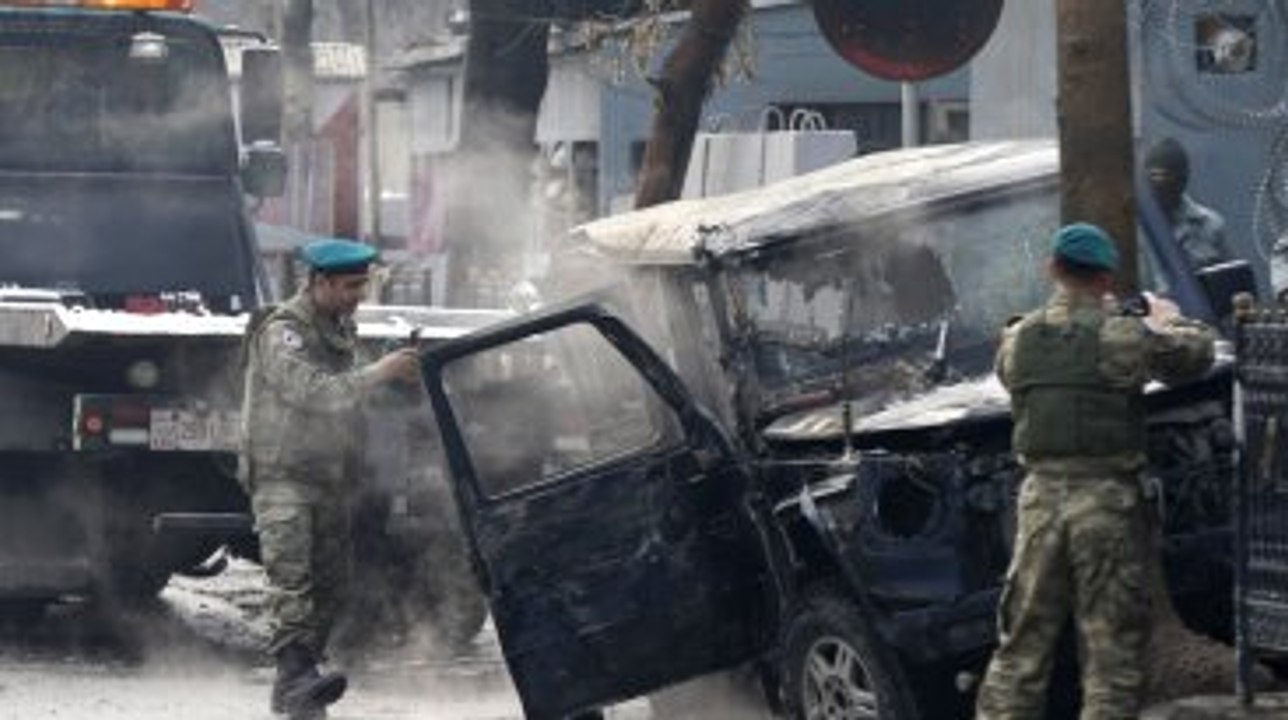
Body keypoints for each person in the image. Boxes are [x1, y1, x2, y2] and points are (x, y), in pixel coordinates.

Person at [974, 223, 1217, 719]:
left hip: (1039, 507)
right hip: (1106, 508)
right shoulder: (1122, 336)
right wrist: (1165, 320)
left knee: (1020, 652)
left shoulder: (1018, 340)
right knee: (1111, 661)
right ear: (1106, 277)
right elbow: (1196, 356)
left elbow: (1008, 371)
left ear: (1051, 269)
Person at [239, 238, 421, 719]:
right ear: (318, 282)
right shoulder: (283, 332)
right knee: (292, 579)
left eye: (363, 285)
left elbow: (355, 393)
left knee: (332, 586)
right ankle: (299, 676)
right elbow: (315, 393)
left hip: (329, 476)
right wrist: (381, 371)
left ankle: (296, 686)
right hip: (283, 475)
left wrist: (396, 375)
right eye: (350, 286)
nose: (358, 295)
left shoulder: (339, 331)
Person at [1144, 137, 1234, 271]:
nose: (1161, 185)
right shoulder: (1137, 226)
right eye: (1155, 176)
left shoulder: (1210, 226)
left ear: (1183, 178)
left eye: (1168, 176)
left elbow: (1230, 276)